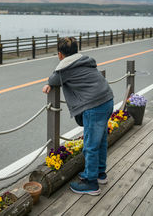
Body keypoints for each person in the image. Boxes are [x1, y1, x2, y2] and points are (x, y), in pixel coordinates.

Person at [42, 37, 114, 195]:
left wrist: (48, 84)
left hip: (94, 106)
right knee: (100, 141)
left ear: (60, 55)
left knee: (90, 145)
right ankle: (100, 174)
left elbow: (53, 79)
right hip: (107, 99)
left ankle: (91, 183)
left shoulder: (64, 68)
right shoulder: (85, 60)